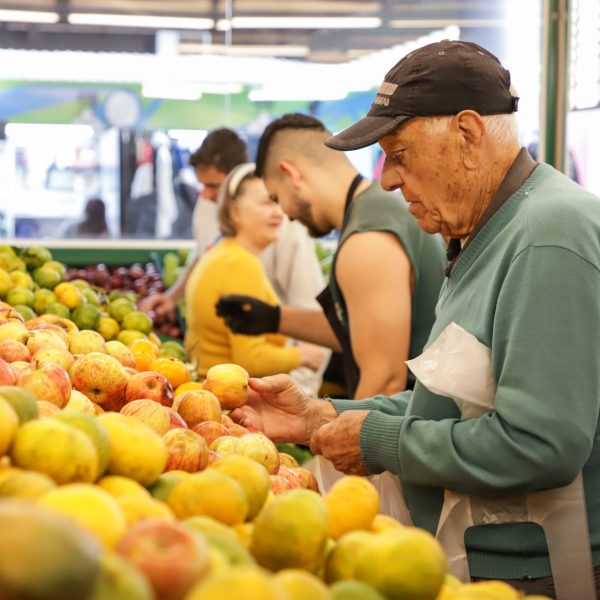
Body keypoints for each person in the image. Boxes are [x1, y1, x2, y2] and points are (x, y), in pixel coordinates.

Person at [229, 40, 600, 597]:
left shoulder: (548, 237)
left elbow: (541, 443)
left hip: (537, 575)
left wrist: (382, 442)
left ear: (469, 136)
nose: (386, 181)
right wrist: (321, 414)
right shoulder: (484, 233)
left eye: (399, 154)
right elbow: (455, 400)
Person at [216, 113, 446, 399]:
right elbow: (363, 330)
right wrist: (275, 318)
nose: (284, 214)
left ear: (292, 175)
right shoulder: (375, 208)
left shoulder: (367, 238)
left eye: (276, 198)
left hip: (416, 424)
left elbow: (385, 380)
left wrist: (338, 437)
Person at [138, 128, 325, 321]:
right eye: (202, 184)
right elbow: (204, 255)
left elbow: (309, 309)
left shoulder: (283, 223)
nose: (205, 194)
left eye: (213, 186)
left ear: (238, 180)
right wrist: (172, 297)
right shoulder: (206, 205)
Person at [184, 162, 324, 379]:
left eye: (277, 202)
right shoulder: (240, 265)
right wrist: (303, 355)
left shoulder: (223, 254)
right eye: (267, 203)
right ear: (235, 212)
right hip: (231, 400)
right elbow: (251, 360)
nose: (278, 212)